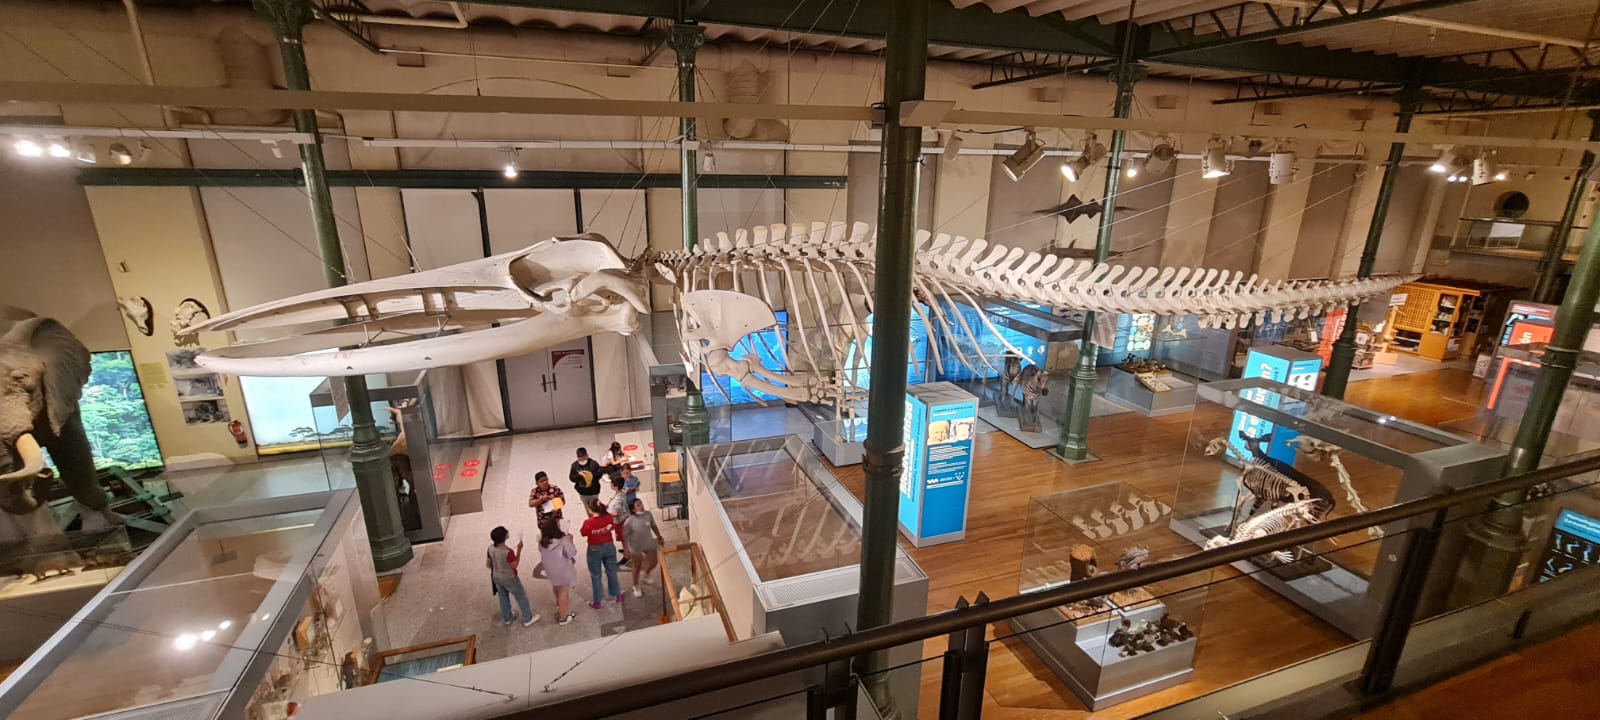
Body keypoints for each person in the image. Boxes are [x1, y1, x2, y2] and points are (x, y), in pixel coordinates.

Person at [486, 526, 539, 627]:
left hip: (496, 577)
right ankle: (528, 618)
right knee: (521, 597)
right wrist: (519, 550)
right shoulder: (508, 552)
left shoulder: (490, 548)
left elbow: (488, 564)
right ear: (505, 537)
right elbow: (515, 565)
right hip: (509, 578)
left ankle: (507, 618)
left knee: (503, 597)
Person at [579, 498, 624, 608]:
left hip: (594, 549)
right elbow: (612, 527)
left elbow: (583, 533)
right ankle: (617, 595)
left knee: (596, 575)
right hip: (609, 546)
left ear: (590, 510)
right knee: (612, 571)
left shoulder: (588, 523)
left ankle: (597, 602)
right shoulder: (609, 517)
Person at [538, 517, 579, 625]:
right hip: (562, 570)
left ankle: (559, 604)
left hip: (550, 570)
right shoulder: (563, 541)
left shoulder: (542, 542)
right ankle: (563, 617)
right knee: (563, 592)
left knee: (556, 587)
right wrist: (570, 541)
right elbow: (572, 553)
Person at [623, 497, 664, 598]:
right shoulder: (629, 521)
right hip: (636, 546)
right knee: (636, 566)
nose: (641, 506)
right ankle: (636, 586)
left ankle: (646, 573)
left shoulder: (648, 514)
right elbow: (624, 535)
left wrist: (659, 537)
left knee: (654, 561)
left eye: (641, 503)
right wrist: (626, 549)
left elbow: (653, 526)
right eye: (638, 505)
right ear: (633, 509)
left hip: (648, 542)